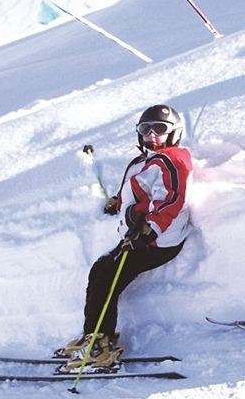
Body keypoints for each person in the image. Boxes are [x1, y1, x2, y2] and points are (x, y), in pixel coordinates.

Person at [57, 104, 193, 371]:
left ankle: (100, 342)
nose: (152, 135)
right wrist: (119, 203)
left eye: (160, 129)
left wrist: (149, 230)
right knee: (101, 270)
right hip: (138, 237)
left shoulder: (172, 160)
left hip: (157, 241)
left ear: (174, 133)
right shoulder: (143, 161)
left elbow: (170, 200)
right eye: (145, 129)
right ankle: (95, 336)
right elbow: (138, 191)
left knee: (108, 274)